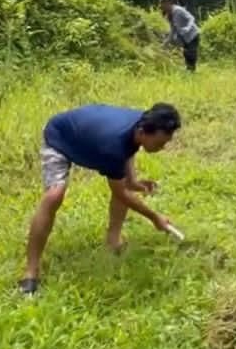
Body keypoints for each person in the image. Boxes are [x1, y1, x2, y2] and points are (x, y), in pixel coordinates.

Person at [19, 103, 181, 295]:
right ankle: (31, 270)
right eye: (160, 143)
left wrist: (132, 181)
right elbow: (122, 192)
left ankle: (114, 241)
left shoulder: (142, 122)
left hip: (88, 136)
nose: (162, 148)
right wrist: (155, 218)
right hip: (59, 137)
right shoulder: (114, 145)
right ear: (143, 131)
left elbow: (128, 151)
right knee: (54, 195)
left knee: (121, 184)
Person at [159, 0, 201, 72]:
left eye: (163, 5)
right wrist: (165, 43)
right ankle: (189, 70)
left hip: (192, 34)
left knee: (190, 53)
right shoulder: (170, 15)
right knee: (186, 53)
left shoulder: (178, 10)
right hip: (185, 37)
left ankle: (192, 71)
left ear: (168, 3)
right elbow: (173, 30)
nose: (162, 8)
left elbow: (191, 18)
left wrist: (187, 28)